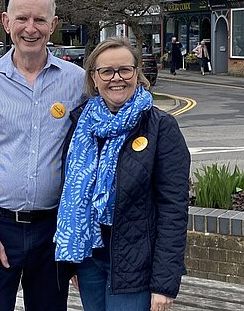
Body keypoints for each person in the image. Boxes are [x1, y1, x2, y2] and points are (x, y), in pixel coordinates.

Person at [0, 0, 86, 311]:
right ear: (6, 21)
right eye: (22, 18)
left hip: (53, 231)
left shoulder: (77, 81)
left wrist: (79, 239)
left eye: (40, 19)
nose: (31, 28)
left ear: (53, 24)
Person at [55, 37, 190, 311]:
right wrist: (72, 259)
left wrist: (164, 284)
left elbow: (173, 209)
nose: (116, 78)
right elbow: (68, 189)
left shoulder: (161, 127)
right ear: (94, 78)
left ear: (136, 73)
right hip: (89, 259)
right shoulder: (82, 125)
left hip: (135, 266)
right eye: (106, 71)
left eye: (125, 70)